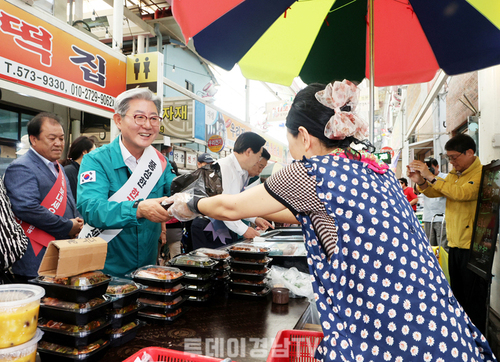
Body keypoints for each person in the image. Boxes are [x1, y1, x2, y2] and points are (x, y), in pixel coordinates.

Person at [167, 81, 496, 362]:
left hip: (388, 334)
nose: (294, 151)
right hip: (438, 327)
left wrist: (191, 202)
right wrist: (261, 211)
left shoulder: (310, 171)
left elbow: (229, 208)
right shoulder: (371, 170)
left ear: (304, 136)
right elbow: (305, 210)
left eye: (292, 142)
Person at [77, 88, 176, 278]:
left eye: (154, 118)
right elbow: (91, 208)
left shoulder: (160, 162)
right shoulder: (96, 160)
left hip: (147, 272)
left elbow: (177, 190)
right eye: (139, 117)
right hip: (106, 273)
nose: (147, 125)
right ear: (118, 120)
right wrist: (137, 209)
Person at [408, 134, 487, 334]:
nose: (451, 162)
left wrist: (430, 176)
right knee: (459, 294)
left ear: (469, 153)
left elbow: (460, 194)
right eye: (449, 158)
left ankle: (477, 340)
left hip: (474, 247)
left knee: (474, 300)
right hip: (455, 243)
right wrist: (421, 182)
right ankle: (462, 336)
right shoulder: (456, 173)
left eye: (454, 157)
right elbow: (439, 192)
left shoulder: (481, 174)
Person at [4, 112, 83, 280]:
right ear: (34, 139)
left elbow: (69, 200)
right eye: (52, 138)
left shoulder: (58, 167)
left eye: (61, 139)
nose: (58, 144)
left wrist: (77, 219)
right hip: (36, 255)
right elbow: (27, 208)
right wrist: (67, 226)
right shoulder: (21, 167)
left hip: (60, 251)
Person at [190, 132, 272, 250]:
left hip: (221, 225)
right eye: (258, 156)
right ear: (248, 152)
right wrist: (244, 230)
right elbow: (226, 207)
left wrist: (254, 219)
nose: (258, 161)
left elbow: (238, 204)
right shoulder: (225, 167)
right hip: (207, 226)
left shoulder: (240, 171)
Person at [421, 158, 447, 247]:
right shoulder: (424, 179)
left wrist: (431, 178)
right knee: (430, 246)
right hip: (428, 217)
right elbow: (416, 191)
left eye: (431, 168)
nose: (429, 171)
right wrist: (421, 178)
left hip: (442, 218)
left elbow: (446, 192)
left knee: (442, 246)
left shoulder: (445, 177)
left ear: (437, 166)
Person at [61, 136, 96, 203]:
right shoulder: (69, 171)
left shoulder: (84, 171)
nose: (96, 156)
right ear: (85, 152)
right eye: (93, 152)